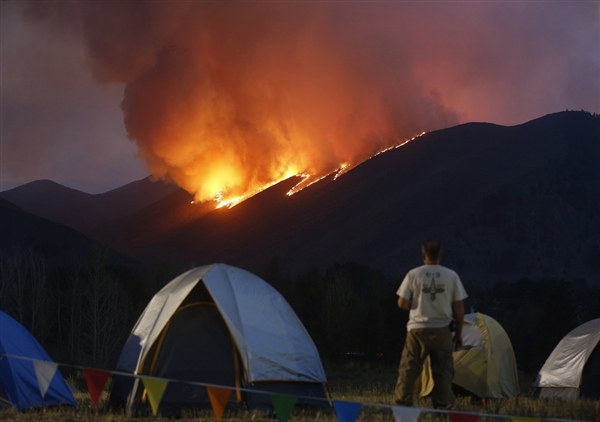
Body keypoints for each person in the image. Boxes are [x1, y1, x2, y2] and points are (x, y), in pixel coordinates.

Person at [393, 239, 467, 410]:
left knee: (408, 370)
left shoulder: (414, 274)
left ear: (423, 256)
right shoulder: (451, 276)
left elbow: (401, 303)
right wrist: (459, 334)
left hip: (417, 329)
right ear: (440, 255)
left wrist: (417, 304)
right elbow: (459, 308)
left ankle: (403, 409)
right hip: (442, 329)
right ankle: (443, 409)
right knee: (443, 373)